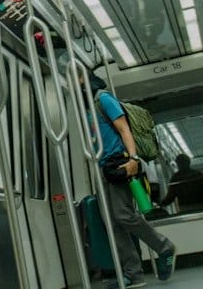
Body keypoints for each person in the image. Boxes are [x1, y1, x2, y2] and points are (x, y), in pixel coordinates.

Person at [84, 72, 176, 288]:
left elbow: (124, 128)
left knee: (123, 215)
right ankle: (133, 274)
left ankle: (164, 247)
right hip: (102, 168)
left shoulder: (103, 99)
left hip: (119, 163)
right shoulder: (85, 107)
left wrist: (133, 159)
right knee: (111, 221)